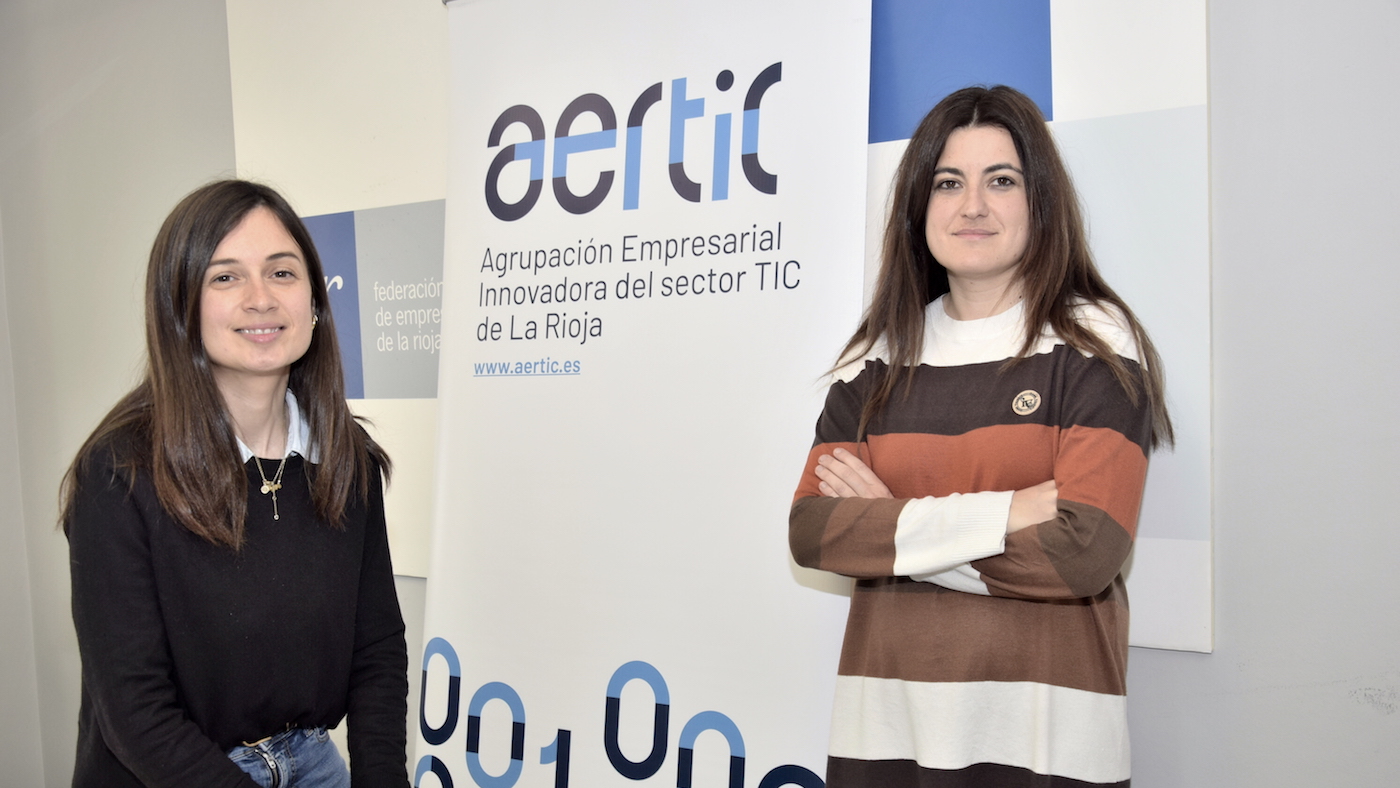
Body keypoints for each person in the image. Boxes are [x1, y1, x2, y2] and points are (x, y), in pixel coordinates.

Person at [789, 85, 1173, 787]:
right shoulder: (874, 360)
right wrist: (1009, 512)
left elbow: (1084, 554)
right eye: (948, 183)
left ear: (1040, 201)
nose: (972, 206)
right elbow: (814, 534)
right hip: (885, 742)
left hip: (1046, 750)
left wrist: (889, 528)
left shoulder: (1095, 342)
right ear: (919, 206)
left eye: (1001, 181)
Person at [62, 180, 409, 788]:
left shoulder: (346, 456)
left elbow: (376, 647)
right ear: (181, 307)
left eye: (282, 272)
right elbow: (135, 712)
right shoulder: (119, 471)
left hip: (309, 760)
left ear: (315, 301)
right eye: (225, 277)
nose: (260, 299)